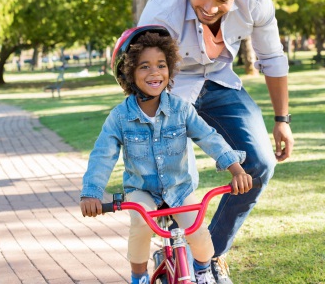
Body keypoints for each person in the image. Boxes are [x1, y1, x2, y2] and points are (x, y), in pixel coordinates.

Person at [138, 0, 295, 283]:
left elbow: (273, 58)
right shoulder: (162, 12)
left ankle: (211, 255)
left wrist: (282, 121)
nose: (210, 8)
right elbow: (143, 76)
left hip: (221, 81)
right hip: (169, 88)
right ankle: (176, 252)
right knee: (181, 180)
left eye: (222, 0)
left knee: (260, 163)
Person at [80, 26, 253, 284]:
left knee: (199, 232)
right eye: (144, 67)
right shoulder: (120, 117)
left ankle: (203, 270)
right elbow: (102, 155)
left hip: (179, 188)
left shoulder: (181, 109)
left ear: (170, 68)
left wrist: (235, 168)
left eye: (161, 65)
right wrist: (91, 193)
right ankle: (138, 276)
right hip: (142, 191)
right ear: (128, 74)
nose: (155, 73)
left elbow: (208, 137)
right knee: (140, 224)